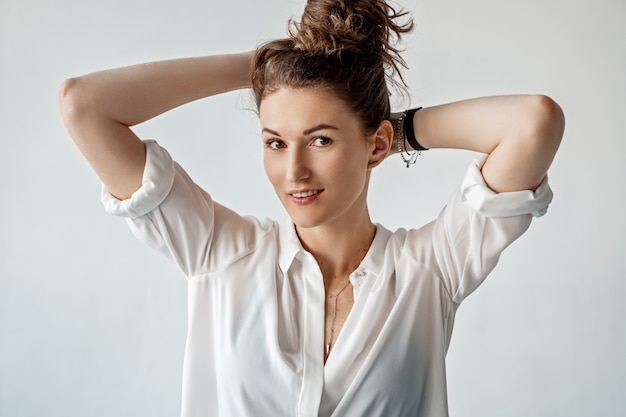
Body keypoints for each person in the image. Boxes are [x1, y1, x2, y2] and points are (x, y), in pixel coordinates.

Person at [58, 0, 564, 415]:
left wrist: (395, 129)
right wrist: (260, 69)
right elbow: (85, 105)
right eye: (275, 142)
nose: (293, 171)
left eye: (320, 140)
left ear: (376, 146)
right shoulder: (220, 253)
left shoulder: (430, 270)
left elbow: (533, 121)